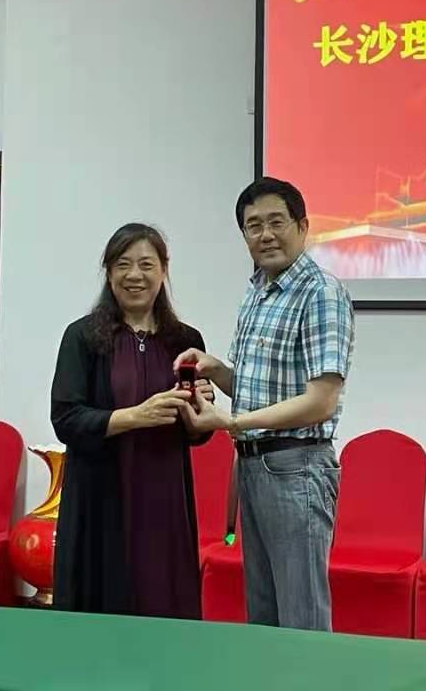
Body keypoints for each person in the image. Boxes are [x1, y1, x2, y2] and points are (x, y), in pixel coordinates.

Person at [177, 177, 353, 631]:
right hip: (253, 466)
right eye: (253, 226)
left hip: (296, 468)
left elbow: (320, 402)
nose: (265, 234)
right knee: (264, 616)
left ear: (303, 226)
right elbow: (260, 390)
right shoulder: (258, 290)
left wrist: (231, 422)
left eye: (277, 222)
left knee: (301, 618)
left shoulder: (320, 291)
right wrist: (215, 368)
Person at [50, 223, 214, 618]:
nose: (134, 275)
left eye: (146, 264)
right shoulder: (82, 337)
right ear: (108, 273)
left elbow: (196, 435)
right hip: (100, 496)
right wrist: (135, 416)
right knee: (102, 603)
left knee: (163, 598)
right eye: (123, 265)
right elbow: (66, 419)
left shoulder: (185, 341)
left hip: (164, 495)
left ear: (164, 270)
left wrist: (200, 415)